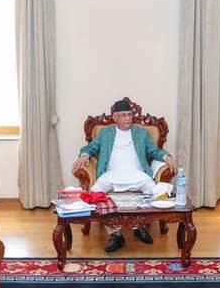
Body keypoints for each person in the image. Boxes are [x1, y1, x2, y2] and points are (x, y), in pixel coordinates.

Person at [73, 99, 178, 252]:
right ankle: (115, 234)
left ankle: (139, 226)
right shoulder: (105, 133)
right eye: (123, 115)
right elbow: (90, 147)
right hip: (110, 175)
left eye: (129, 114)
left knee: (153, 190)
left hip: (138, 175)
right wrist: (84, 155)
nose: (128, 118)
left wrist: (167, 157)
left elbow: (154, 151)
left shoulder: (141, 133)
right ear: (115, 117)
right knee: (95, 193)